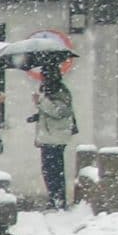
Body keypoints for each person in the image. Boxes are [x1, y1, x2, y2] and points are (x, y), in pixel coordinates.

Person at [32, 64, 79, 208]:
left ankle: (58, 200)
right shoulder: (50, 90)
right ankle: (55, 198)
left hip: (56, 137)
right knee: (50, 170)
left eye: (44, 76)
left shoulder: (60, 91)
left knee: (53, 170)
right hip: (50, 136)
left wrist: (40, 101)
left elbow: (59, 112)